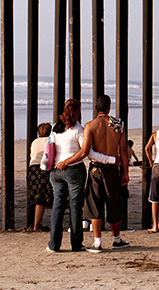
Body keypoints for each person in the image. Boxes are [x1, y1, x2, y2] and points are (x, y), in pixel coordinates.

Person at [58, 94, 128, 253]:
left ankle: (97, 242)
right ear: (109, 107)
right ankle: (116, 239)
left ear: (96, 108)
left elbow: (85, 151)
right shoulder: (118, 124)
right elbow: (123, 151)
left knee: (95, 203)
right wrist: (126, 172)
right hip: (113, 168)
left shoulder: (90, 126)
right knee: (113, 202)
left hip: (96, 168)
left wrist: (65, 162)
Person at [47, 100, 86, 252]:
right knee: (75, 207)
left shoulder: (55, 127)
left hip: (56, 170)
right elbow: (83, 152)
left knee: (58, 206)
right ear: (77, 111)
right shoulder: (78, 129)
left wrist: (60, 163)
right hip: (73, 169)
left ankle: (54, 244)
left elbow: (50, 147)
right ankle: (76, 244)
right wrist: (67, 162)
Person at [27, 122, 53, 231]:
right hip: (43, 168)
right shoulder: (50, 141)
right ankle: (37, 226)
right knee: (43, 198)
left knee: (36, 197)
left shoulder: (34, 142)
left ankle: (37, 223)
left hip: (32, 169)